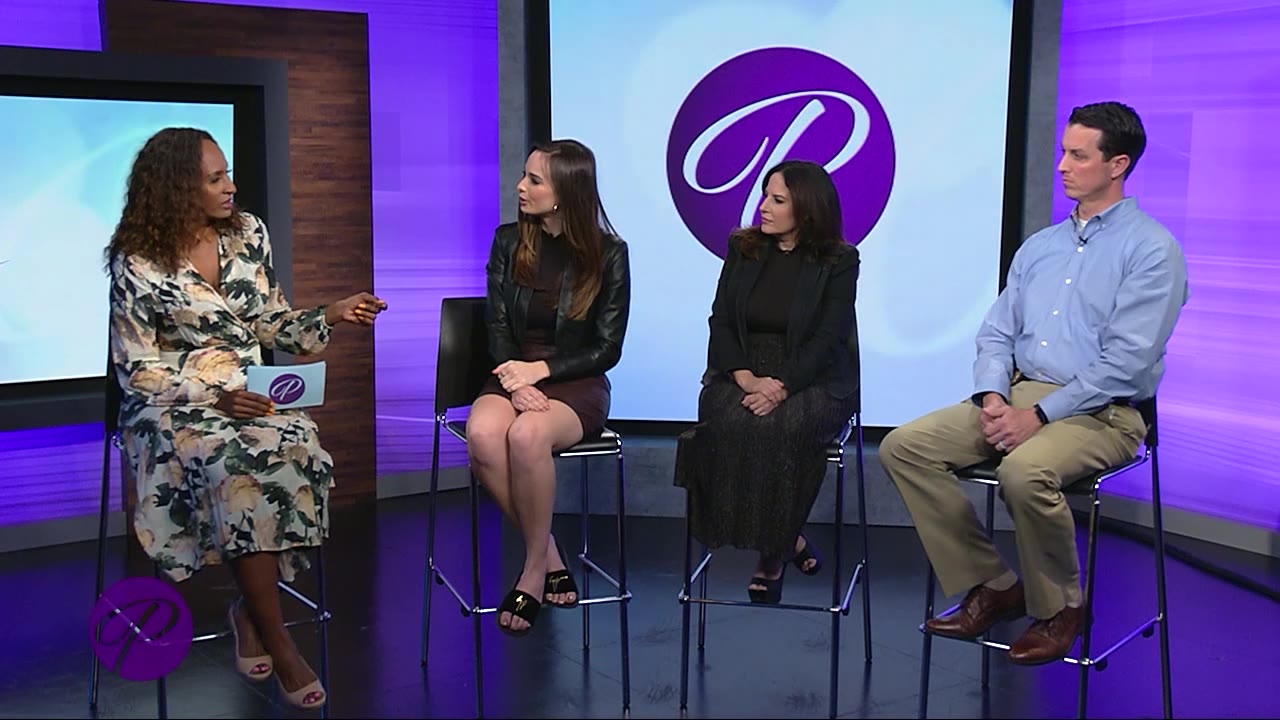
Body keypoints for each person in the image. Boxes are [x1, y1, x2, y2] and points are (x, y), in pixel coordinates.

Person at [879, 101, 1189, 665]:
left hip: (1106, 412)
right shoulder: (1041, 247)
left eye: (1078, 155)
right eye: (1063, 152)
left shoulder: (1152, 250)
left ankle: (1063, 607)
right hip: (1021, 395)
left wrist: (1038, 417)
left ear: (1117, 164)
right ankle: (996, 585)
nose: (1062, 165)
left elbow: (1126, 362)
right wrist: (995, 397)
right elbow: (996, 332)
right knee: (905, 447)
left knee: (1024, 471)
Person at [106, 127, 387, 709]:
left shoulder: (248, 234)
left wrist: (330, 314)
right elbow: (137, 370)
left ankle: (249, 612)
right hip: (171, 409)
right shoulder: (137, 262)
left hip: (249, 396)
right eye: (215, 179)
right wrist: (215, 395)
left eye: (227, 173)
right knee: (235, 464)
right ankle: (279, 639)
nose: (231, 187)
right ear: (177, 188)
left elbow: (269, 323)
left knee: (298, 444)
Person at [674, 160, 859, 604]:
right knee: (726, 422)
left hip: (811, 376)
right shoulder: (744, 248)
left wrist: (781, 386)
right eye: (765, 196)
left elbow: (827, 338)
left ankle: (772, 554)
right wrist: (744, 377)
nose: (763, 207)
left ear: (807, 209)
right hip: (743, 369)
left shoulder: (838, 261)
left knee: (782, 427)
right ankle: (789, 537)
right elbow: (721, 319)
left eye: (777, 200)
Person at [466, 139, 631, 636]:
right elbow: (496, 326)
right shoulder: (507, 241)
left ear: (565, 193)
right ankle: (550, 553)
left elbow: (607, 348)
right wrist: (514, 379)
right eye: (525, 175)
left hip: (575, 382)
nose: (521, 186)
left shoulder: (610, 254)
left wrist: (539, 372)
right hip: (511, 373)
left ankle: (532, 572)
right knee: (482, 434)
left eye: (534, 180)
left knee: (526, 436)